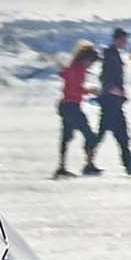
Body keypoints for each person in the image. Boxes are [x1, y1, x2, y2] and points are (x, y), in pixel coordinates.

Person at [88, 25, 131, 175]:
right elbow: (107, 79)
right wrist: (117, 91)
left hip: (113, 102)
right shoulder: (111, 56)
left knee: (121, 134)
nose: (125, 43)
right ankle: (90, 162)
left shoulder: (113, 54)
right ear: (117, 39)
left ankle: (128, 164)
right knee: (108, 134)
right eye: (123, 40)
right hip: (110, 103)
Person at [54, 41, 99, 179]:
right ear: (86, 59)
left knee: (66, 137)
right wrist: (89, 90)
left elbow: (65, 75)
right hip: (71, 106)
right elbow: (74, 89)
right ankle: (89, 165)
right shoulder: (78, 70)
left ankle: (61, 167)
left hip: (66, 106)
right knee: (90, 136)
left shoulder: (73, 68)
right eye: (91, 62)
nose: (91, 65)